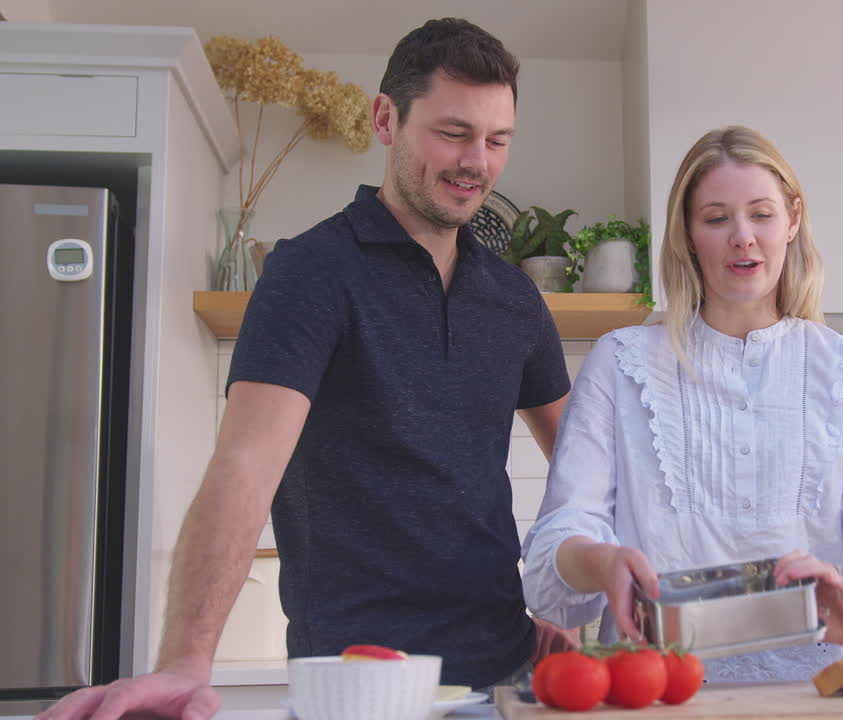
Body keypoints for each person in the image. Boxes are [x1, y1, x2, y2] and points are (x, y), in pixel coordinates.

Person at [40, 18, 576, 720]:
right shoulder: (311, 272)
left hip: (508, 677)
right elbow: (246, 466)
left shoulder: (514, 300)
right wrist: (185, 661)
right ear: (387, 118)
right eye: (453, 132)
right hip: (357, 688)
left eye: (497, 140)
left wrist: (573, 601)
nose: (476, 160)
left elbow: (583, 471)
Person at [521, 125, 843, 683]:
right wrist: (602, 563)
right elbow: (560, 537)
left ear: (793, 220)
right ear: (687, 233)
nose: (742, 237)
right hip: (661, 694)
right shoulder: (621, 362)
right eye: (716, 218)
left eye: (762, 214)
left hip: (823, 695)